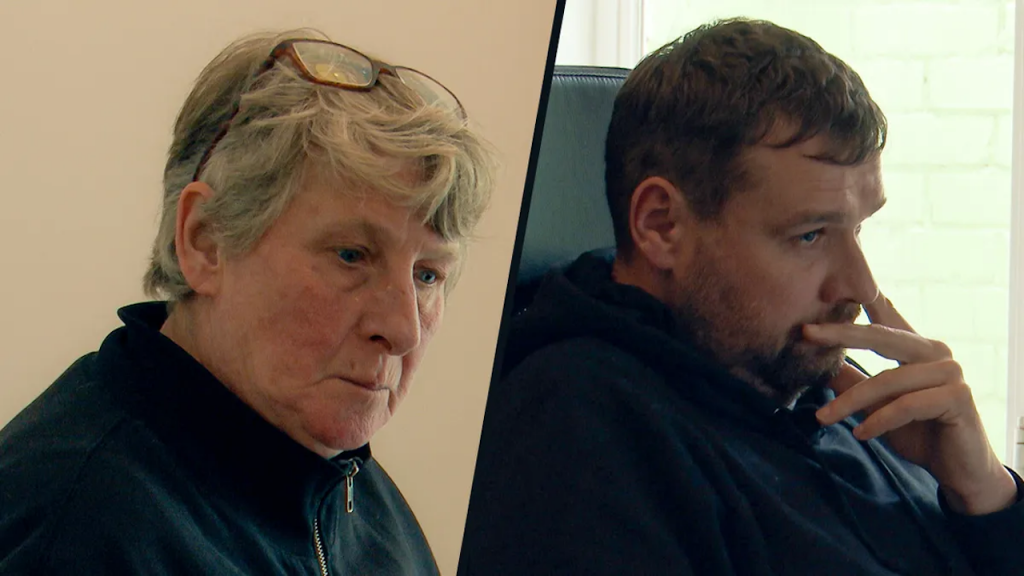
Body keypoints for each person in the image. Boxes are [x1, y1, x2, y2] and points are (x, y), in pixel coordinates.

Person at [459, 18, 1023, 576]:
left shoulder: (822, 392)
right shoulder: (582, 437)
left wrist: (986, 494)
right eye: (810, 235)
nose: (858, 287)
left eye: (858, 228)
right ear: (661, 226)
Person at [0, 29, 494, 575]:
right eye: (351, 255)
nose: (402, 329)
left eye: (428, 275)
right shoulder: (82, 534)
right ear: (205, 241)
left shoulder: (348, 487)